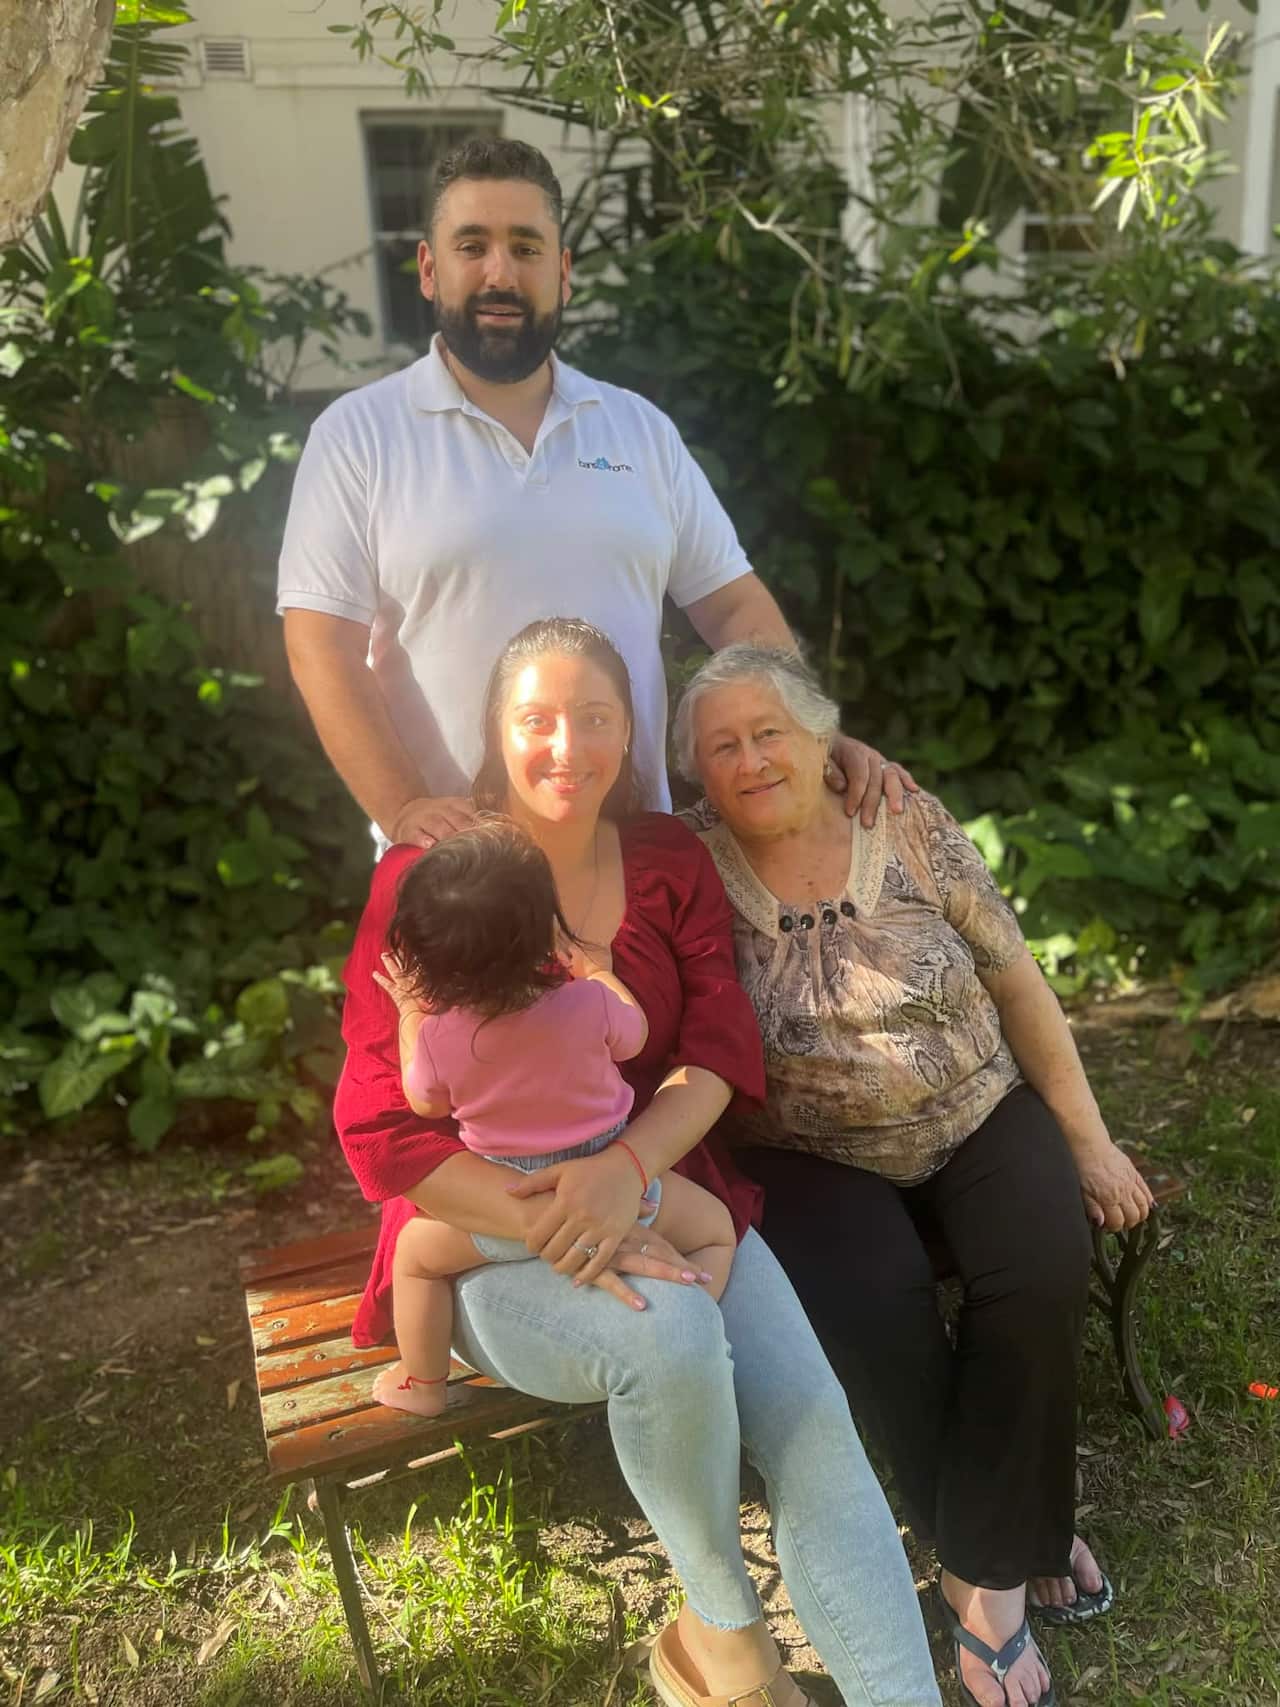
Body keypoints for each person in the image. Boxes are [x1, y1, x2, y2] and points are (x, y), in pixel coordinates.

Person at [335, 617, 943, 1707]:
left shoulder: (666, 859)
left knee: (815, 1429)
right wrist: (557, 1213)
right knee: (668, 1335)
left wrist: (624, 1171)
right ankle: (726, 1644)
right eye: (535, 719)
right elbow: (383, 1122)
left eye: (595, 717)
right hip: (485, 1239)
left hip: (662, 1187)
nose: (565, 745)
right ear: (495, 731)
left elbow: (716, 1050)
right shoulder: (429, 879)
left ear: (630, 734)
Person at [672, 644, 1157, 1707]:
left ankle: (980, 1564)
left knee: (1035, 1260)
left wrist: (1085, 1138)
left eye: (770, 733)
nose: (751, 760)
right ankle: (1001, 1555)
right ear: (696, 772)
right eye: (722, 745)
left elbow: (1016, 983)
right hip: (797, 1151)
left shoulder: (905, 819)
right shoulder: (686, 864)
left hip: (978, 1107)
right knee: (872, 1296)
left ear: (820, 738)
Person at [276, 135, 914, 846]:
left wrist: (813, 737)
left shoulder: (638, 429)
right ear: (429, 268)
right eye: (472, 246)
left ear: (563, 272)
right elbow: (321, 649)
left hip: (637, 869)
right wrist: (403, 811)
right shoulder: (358, 436)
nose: (500, 273)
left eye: (526, 248)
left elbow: (734, 608)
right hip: (451, 875)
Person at [365, 814, 737, 1418]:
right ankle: (697, 1314)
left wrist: (410, 1014)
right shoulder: (589, 1004)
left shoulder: (437, 1037)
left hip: (509, 1213)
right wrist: (598, 973)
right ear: (545, 932)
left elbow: (424, 1102)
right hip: (620, 1194)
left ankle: (422, 1383)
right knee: (718, 1229)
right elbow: (637, 1036)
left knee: (413, 1258)